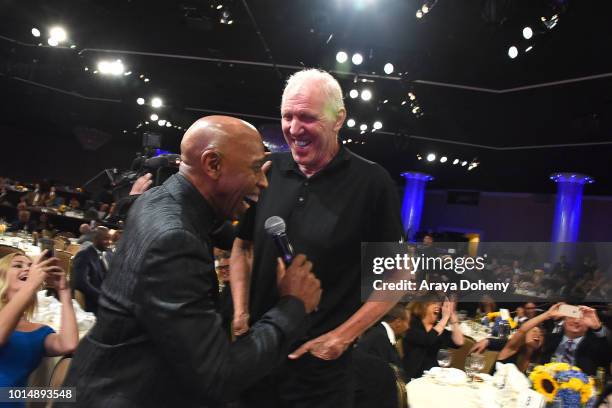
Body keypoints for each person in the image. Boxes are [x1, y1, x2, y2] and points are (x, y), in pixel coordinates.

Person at [59, 115, 322, 408]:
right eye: (254, 169)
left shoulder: (157, 198)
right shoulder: (174, 240)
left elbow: (215, 228)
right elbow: (218, 375)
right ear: (212, 164)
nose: (263, 182)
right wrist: (292, 306)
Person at [230, 68, 405, 407]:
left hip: (320, 375)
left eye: (307, 117)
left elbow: (399, 274)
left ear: (338, 119)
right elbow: (242, 245)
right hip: (256, 357)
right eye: (287, 116)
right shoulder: (269, 170)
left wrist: (342, 338)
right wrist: (240, 313)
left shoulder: (371, 183)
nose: (294, 129)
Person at [0, 252, 78, 400]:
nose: (29, 269)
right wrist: (30, 285)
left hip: (11, 400)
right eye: (18, 265)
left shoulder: (38, 331)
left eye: (31, 266)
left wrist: (64, 291)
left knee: (72, 395)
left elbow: (68, 344)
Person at [402, 296, 464, 380]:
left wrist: (452, 316)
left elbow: (459, 342)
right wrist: (445, 318)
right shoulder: (411, 325)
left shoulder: (438, 327)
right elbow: (427, 339)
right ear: (422, 306)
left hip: (437, 376)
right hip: (415, 375)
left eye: (439, 304)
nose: (438, 306)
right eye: (434, 303)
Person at [539, 305, 609, 376]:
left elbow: (606, 359)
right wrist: (547, 315)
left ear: (589, 324)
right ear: (564, 320)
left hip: (581, 384)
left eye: (582, 318)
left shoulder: (595, 345)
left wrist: (597, 328)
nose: (576, 321)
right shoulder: (550, 339)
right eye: (572, 317)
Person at [493, 303, 564, 372]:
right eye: (534, 332)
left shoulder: (539, 364)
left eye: (541, 334)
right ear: (524, 336)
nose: (537, 335)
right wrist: (548, 314)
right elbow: (522, 330)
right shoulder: (511, 351)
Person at [70, 226, 112, 314]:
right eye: (105, 239)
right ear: (95, 239)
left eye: (109, 239)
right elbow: (80, 283)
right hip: (94, 303)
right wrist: (102, 297)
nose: (109, 242)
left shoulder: (108, 254)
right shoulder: (84, 255)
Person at [356, 304, 408, 371]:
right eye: (408, 322)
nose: (408, 327)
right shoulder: (380, 338)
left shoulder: (380, 334)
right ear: (398, 322)